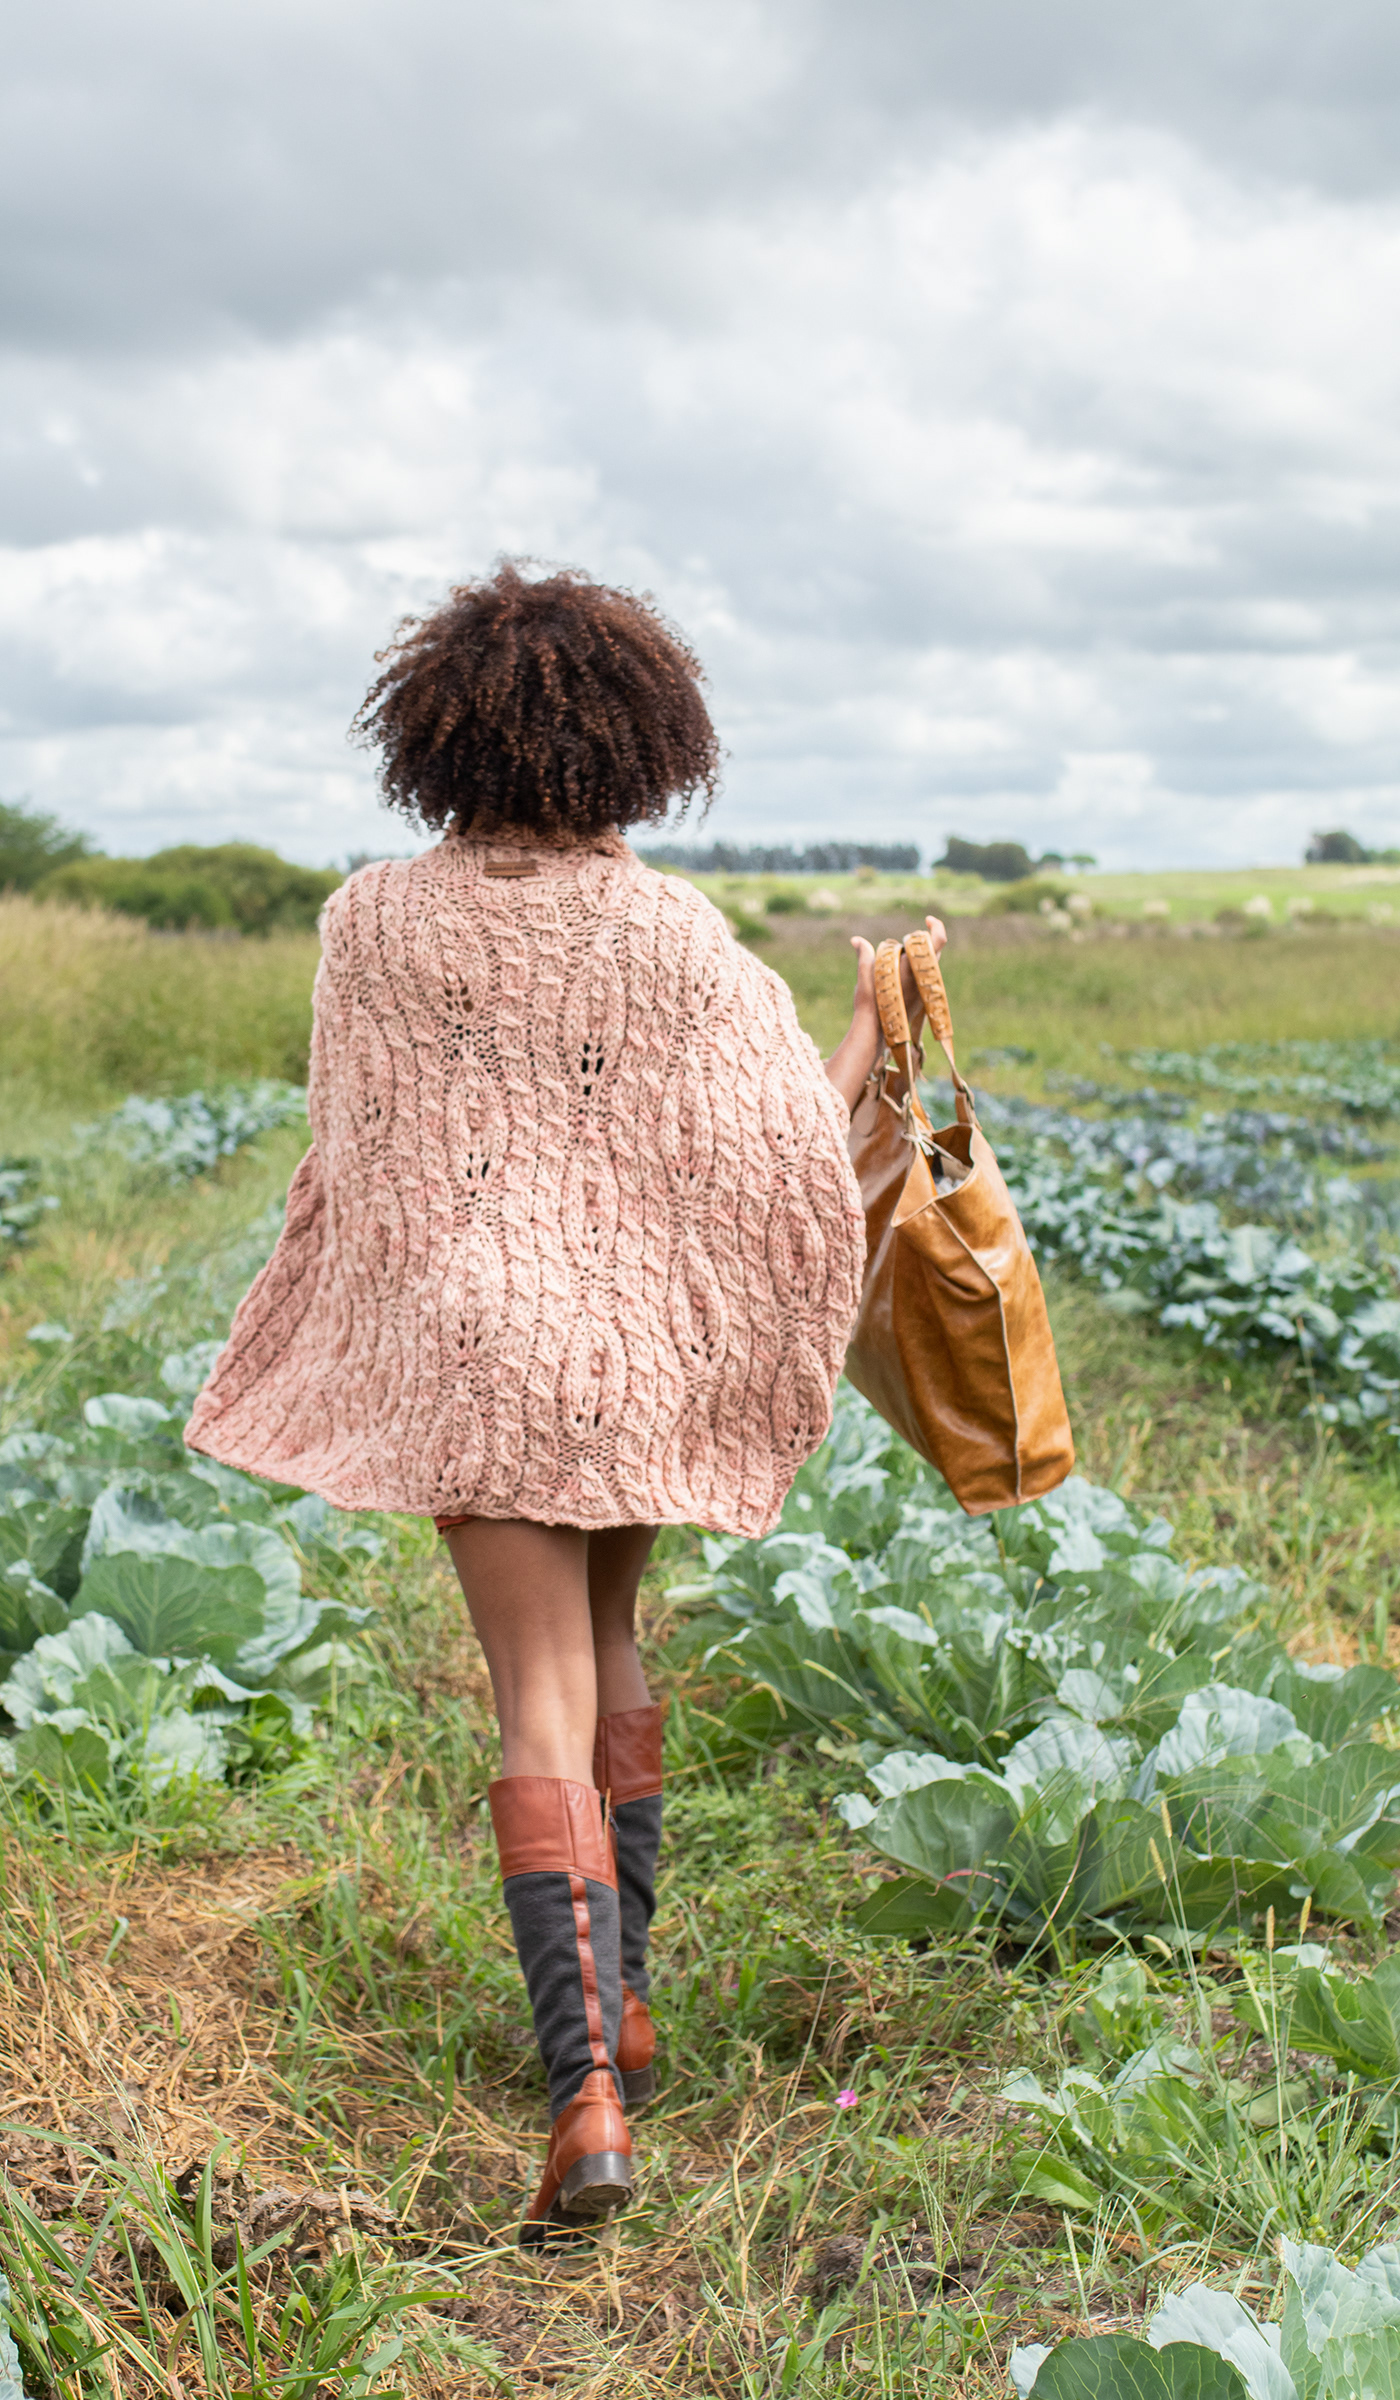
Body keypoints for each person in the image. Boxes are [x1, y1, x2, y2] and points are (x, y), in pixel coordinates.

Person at [185, 561, 944, 2243]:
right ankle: (635, 2005)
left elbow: (361, 1157)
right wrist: (874, 1033)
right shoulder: (672, 935)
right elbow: (779, 1158)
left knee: (530, 1695)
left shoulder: (369, 922)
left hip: (475, 1351)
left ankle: (584, 2093)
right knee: (610, 1656)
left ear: (437, 739)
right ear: (639, 748)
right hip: (626, 1358)